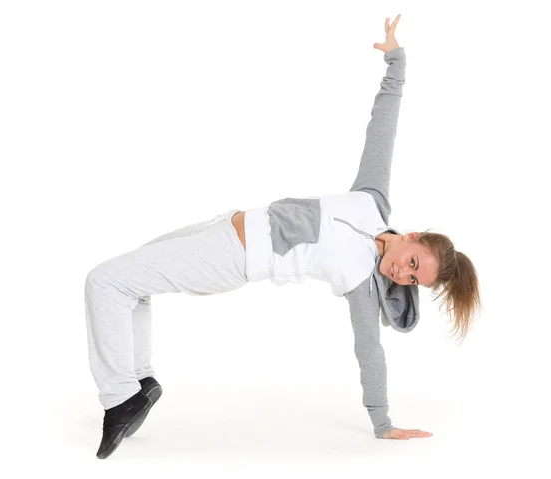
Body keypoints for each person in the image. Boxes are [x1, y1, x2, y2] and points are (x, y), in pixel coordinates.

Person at [84, 14, 481, 459]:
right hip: (226, 223)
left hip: (232, 257)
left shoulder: (361, 284)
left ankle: (120, 397)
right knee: (132, 282)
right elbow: (382, 129)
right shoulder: (371, 200)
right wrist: (396, 63)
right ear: (414, 237)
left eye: (413, 281)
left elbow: (370, 354)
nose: (402, 274)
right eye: (413, 264)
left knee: (106, 281)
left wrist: (382, 421)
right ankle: (139, 381)